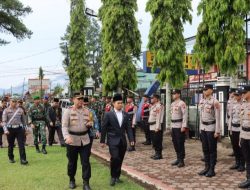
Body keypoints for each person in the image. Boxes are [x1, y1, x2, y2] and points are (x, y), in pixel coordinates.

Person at [100, 94, 134, 186]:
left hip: (122, 141)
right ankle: (113, 176)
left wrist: (131, 139)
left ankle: (117, 176)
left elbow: (129, 128)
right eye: (118, 103)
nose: (120, 105)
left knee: (120, 159)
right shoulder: (108, 114)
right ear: (113, 103)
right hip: (112, 140)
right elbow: (104, 128)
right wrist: (102, 141)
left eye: (121, 103)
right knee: (115, 158)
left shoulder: (125, 114)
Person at [62, 92, 93, 190]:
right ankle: (71, 179)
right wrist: (67, 137)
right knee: (72, 162)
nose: (81, 101)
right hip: (72, 140)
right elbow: (64, 126)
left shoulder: (87, 111)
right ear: (73, 99)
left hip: (85, 140)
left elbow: (90, 121)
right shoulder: (68, 111)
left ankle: (86, 182)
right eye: (78, 99)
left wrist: (90, 123)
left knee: (86, 162)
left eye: (82, 99)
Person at [198, 84, 221, 177]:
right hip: (203, 128)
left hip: (211, 128)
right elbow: (201, 116)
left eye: (206, 89)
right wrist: (200, 128)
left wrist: (217, 131)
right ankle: (206, 167)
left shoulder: (215, 102)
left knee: (212, 150)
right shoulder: (202, 101)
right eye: (203, 90)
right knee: (205, 149)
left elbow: (218, 117)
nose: (204, 91)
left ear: (211, 90)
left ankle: (212, 169)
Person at [2, 96, 28, 165]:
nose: (14, 103)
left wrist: (26, 129)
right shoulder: (6, 110)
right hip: (10, 129)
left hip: (19, 129)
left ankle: (23, 159)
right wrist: (5, 130)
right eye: (13, 101)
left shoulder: (20, 110)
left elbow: (24, 121)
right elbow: (4, 122)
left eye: (15, 101)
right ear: (10, 102)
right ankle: (11, 157)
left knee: (21, 144)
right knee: (11, 144)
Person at [228, 88, 245, 172]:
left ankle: (242, 164)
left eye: (237, 95)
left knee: (241, 146)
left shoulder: (244, 103)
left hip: (240, 128)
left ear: (241, 95)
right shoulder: (232, 103)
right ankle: (237, 162)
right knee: (234, 146)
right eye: (235, 95)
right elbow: (230, 116)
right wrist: (229, 127)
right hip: (233, 128)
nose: (236, 97)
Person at [170, 89, 188, 167]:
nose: (173, 95)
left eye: (174, 94)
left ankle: (181, 160)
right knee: (175, 142)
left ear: (178, 94)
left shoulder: (182, 103)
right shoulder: (172, 104)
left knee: (180, 143)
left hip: (179, 125)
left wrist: (183, 126)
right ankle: (178, 158)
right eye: (172, 94)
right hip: (173, 125)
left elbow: (185, 115)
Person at [238, 85, 250, 189]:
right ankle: (248, 179)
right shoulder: (243, 105)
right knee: (247, 159)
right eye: (242, 93)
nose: (243, 95)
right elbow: (242, 122)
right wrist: (240, 137)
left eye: (245, 92)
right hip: (244, 135)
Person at [148, 94, 164, 160]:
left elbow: (158, 117)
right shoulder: (153, 106)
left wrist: (157, 127)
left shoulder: (159, 106)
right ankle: (156, 153)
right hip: (151, 125)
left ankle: (159, 154)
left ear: (156, 99)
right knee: (154, 140)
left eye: (153, 98)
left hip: (156, 126)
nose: (151, 99)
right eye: (151, 98)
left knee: (157, 140)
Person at [227, 88, 236, 157]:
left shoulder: (236, 100)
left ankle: (236, 151)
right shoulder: (229, 100)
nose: (230, 94)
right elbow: (227, 112)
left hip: (235, 122)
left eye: (231, 93)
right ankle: (234, 150)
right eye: (229, 93)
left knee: (236, 139)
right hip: (229, 121)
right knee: (231, 137)